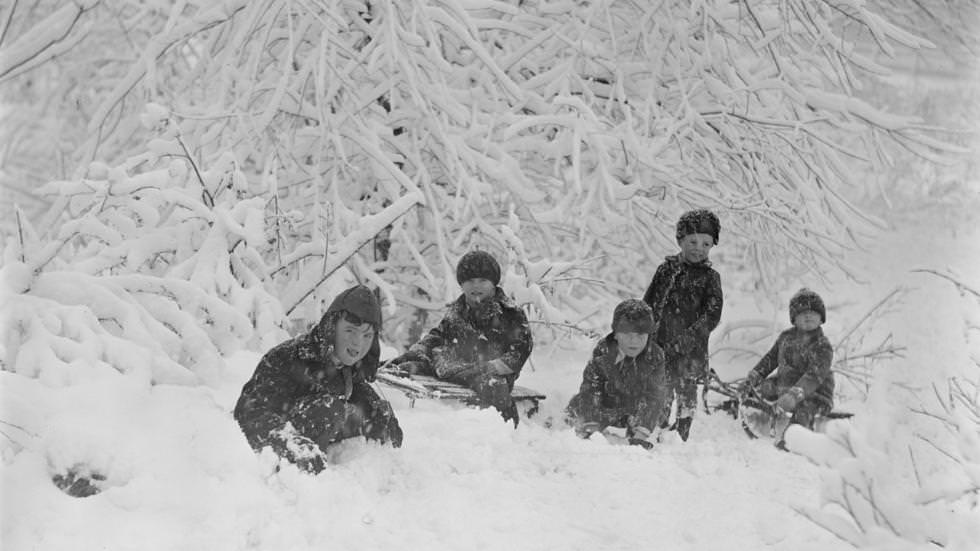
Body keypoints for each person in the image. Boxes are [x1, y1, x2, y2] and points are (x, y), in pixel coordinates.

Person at [233, 284, 402, 474]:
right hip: (278, 466)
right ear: (331, 327)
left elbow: (362, 402)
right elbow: (248, 413)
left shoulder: (349, 370)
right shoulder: (288, 359)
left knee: (371, 415)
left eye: (367, 335)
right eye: (350, 331)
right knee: (330, 409)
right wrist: (292, 444)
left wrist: (381, 417)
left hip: (319, 456)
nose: (358, 342)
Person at [390, 250, 533, 427]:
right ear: (462, 284)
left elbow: (521, 349)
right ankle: (405, 370)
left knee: (493, 387)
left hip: (489, 373)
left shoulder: (509, 313)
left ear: (494, 283)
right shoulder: (457, 311)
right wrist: (415, 352)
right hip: (456, 366)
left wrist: (492, 367)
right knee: (412, 364)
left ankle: (506, 427)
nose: (476, 286)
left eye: (483, 281)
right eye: (470, 281)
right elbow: (438, 335)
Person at [642, 209, 723, 442]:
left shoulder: (710, 278)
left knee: (686, 389)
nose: (698, 248)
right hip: (661, 342)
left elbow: (712, 315)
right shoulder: (666, 270)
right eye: (693, 241)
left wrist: (689, 338)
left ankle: (682, 431)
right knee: (661, 386)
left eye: (706, 244)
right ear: (680, 240)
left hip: (691, 348)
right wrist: (641, 327)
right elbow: (649, 302)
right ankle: (657, 426)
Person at [566, 299, 667, 449]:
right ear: (616, 334)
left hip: (636, 408)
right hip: (607, 405)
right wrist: (592, 424)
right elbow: (591, 388)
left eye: (640, 335)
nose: (634, 341)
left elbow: (654, 396)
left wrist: (641, 434)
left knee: (658, 409)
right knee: (577, 406)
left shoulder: (655, 356)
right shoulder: (603, 351)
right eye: (627, 334)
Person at [741, 288, 834, 437]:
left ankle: (793, 438)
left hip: (815, 395)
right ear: (794, 318)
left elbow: (814, 377)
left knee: (804, 408)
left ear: (821, 318)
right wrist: (754, 376)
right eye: (803, 312)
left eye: (813, 312)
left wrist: (793, 396)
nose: (808, 315)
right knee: (761, 388)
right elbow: (770, 359)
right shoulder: (786, 338)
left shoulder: (822, 346)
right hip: (784, 386)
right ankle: (747, 413)